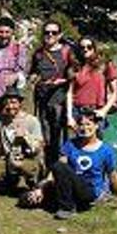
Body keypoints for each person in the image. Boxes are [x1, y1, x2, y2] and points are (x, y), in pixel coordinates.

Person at [23, 108, 117, 220]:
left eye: (88, 124)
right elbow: (58, 170)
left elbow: (113, 176)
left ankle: (67, 208)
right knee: (28, 198)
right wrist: (42, 187)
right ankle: (42, 197)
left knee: (58, 167)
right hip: (69, 187)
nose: (85, 128)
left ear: (96, 126)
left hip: (89, 192)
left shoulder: (105, 150)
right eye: (81, 124)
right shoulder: (71, 144)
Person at [29, 21, 76, 166]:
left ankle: (63, 171)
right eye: (47, 32)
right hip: (43, 101)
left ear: (60, 35)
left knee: (61, 138)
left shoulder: (67, 52)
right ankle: (50, 171)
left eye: (54, 33)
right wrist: (34, 80)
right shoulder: (38, 53)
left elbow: (74, 75)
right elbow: (33, 73)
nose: (50, 35)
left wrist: (61, 81)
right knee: (47, 138)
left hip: (60, 100)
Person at [0, 88, 44, 191]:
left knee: (25, 167)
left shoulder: (32, 120)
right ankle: (10, 181)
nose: (10, 106)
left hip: (28, 159)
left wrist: (26, 137)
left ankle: (33, 182)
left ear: (20, 103)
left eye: (14, 102)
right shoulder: (1, 119)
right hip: (8, 159)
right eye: (7, 103)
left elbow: (39, 145)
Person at [67, 37, 117, 130]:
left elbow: (114, 92)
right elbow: (70, 93)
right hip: (77, 111)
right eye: (82, 47)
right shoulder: (75, 67)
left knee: (97, 143)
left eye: (89, 47)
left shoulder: (105, 65)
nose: (85, 49)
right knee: (78, 143)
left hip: (96, 111)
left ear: (94, 48)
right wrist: (69, 116)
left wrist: (104, 110)